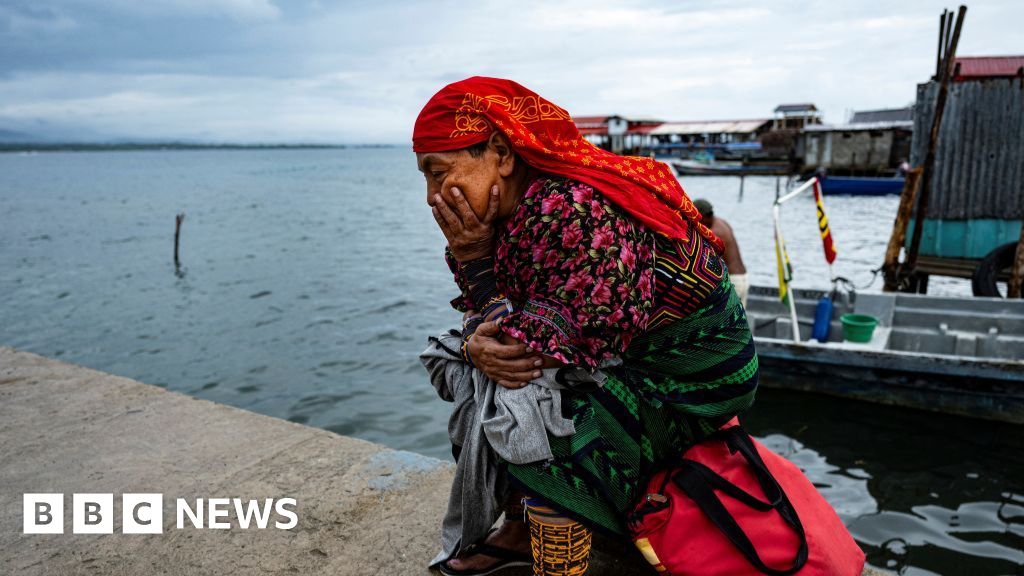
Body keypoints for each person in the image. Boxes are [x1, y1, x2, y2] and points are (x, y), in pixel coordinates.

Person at [415, 77, 758, 576]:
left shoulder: (574, 210)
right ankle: (519, 527)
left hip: (694, 383)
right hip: (615, 355)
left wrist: (475, 278)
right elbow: (489, 320)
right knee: (477, 376)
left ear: (501, 154)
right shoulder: (501, 216)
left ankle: (560, 559)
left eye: (439, 172)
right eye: (423, 177)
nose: (430, 196)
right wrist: (474, 342)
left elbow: (526, 354)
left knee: (535, 410)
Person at [693, 198, 748, 307]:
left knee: (726, 321)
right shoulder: (722, 222)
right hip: (742, 278)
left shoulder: (714, 233)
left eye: (697, 219)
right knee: (737, 321)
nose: (697, 223)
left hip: (734, 281)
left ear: (704, 216)